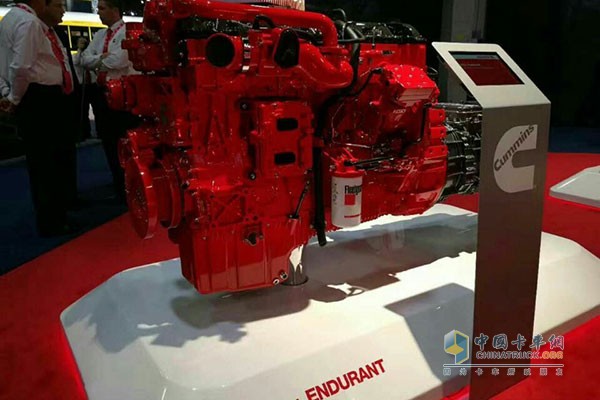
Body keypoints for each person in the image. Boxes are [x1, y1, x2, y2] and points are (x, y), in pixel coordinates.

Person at [0, 0, 76, 236]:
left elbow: (6, 63)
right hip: (41, 98)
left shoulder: (11, 19)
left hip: (33, 97)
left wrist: (7, 92)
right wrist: (14, 97)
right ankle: (53, 220)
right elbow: (21, 66)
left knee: (41, 160)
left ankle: (52, 215)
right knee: (47, 161)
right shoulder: (30, 23)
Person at [79, 0, 137, 202]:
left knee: (125, 142)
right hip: (102, 96)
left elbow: (118, 60)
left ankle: (131, 185)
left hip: (123, 97)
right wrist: (102, 58)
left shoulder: (127, 33)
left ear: (115, 10)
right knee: (109, 143)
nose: (98, 12)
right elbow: (83, 59)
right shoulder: (99, 35)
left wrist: (97, 59)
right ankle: (119, 186)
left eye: (102, 8)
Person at [39, 0, 81, 210]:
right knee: (50, 158)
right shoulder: (36, 31)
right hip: (45, 100)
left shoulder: (59, 34)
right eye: (58, 5)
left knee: (66, 152)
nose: (63, 10)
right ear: (43, 6)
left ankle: (70, 197)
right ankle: (56, 206)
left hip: (65, 97)